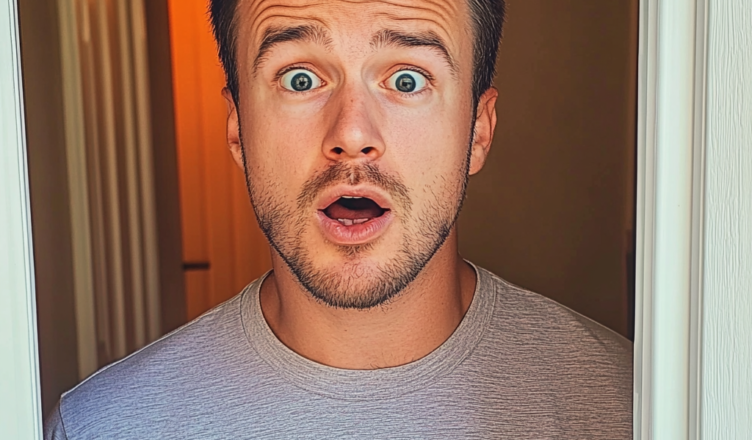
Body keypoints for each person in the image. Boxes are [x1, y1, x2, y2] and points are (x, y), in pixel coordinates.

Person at [45, 0, 632, 438]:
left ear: (477, 131)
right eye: (300, 79)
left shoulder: (636, 409)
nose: (351, 133)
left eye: (407, 80)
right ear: (238, 128)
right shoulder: (103, 427)